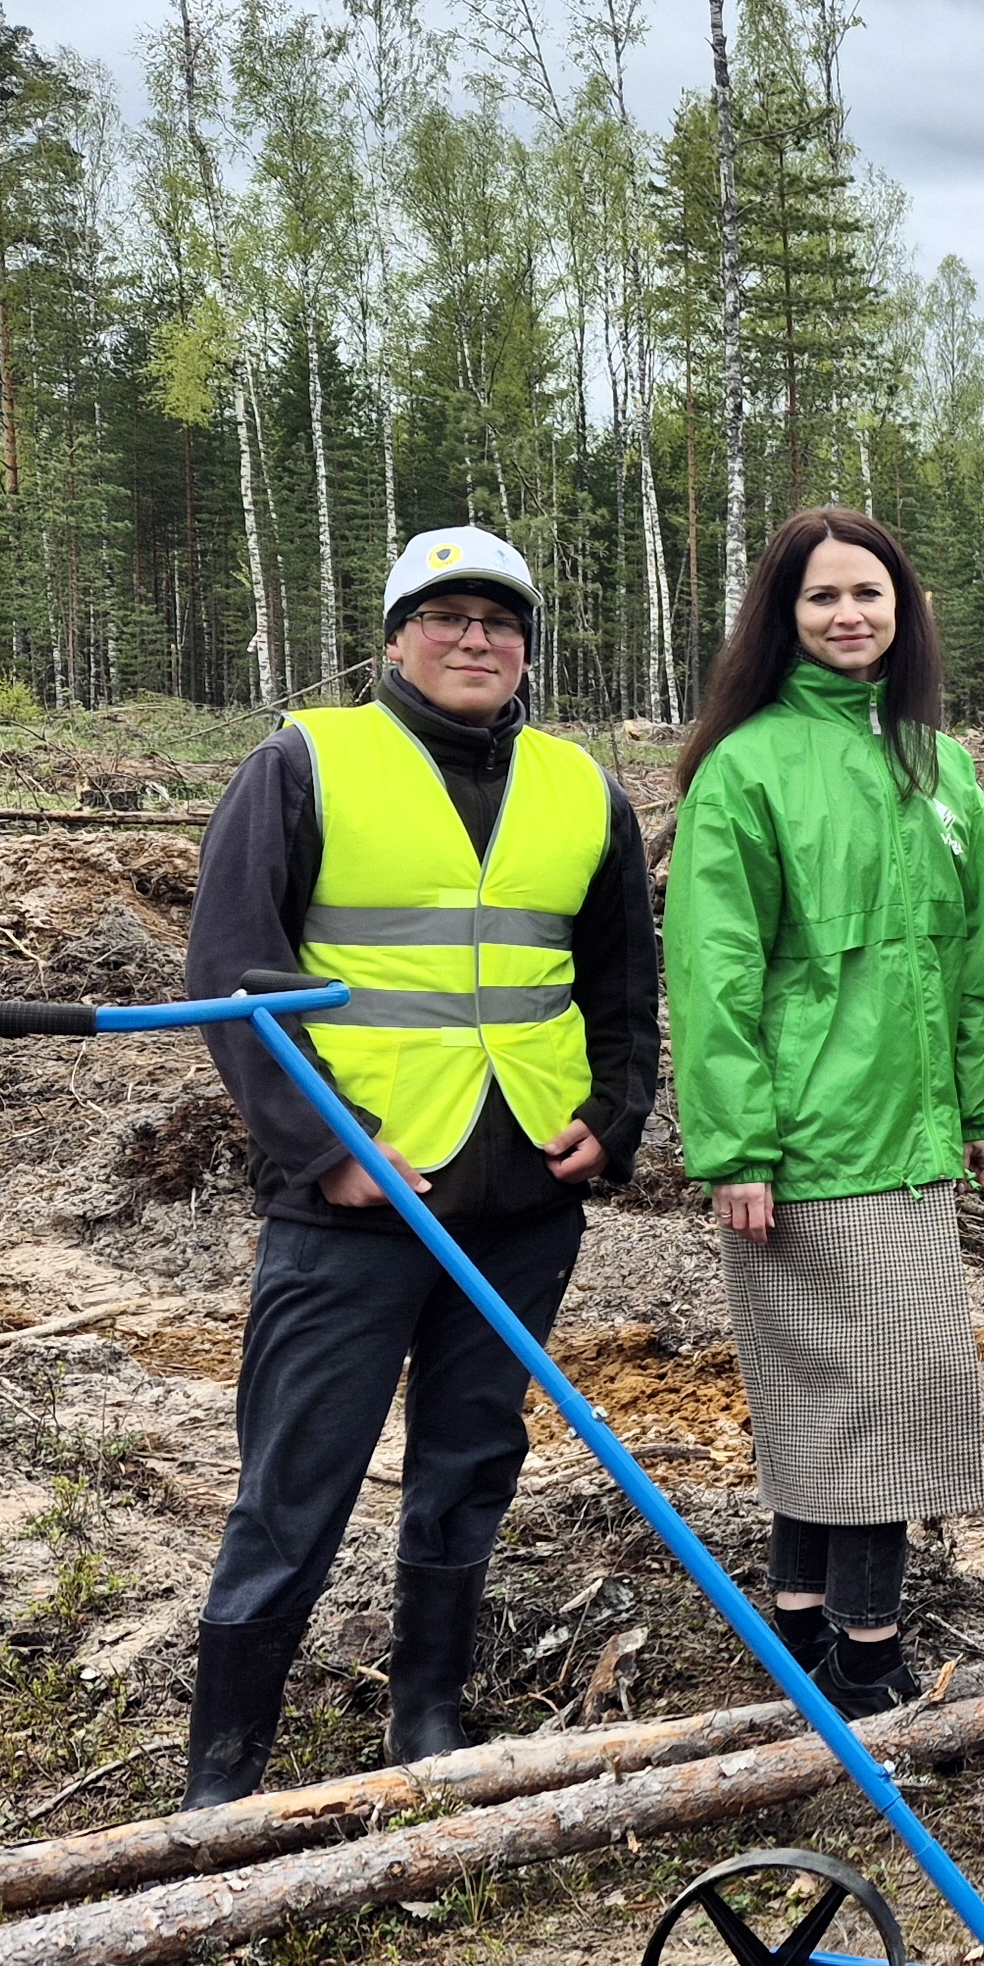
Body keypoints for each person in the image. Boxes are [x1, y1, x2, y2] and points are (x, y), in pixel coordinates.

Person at [177, 525, 658, 1807]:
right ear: (397, 637)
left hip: (522, 1194)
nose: (476, 640)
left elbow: (620, 980)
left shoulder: (579, 787)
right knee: (298, 1474)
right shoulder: (304, 765)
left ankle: (426, 1716)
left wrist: (615, 1116)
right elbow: (234, 972)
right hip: (358, 1198)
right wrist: (323, 1147)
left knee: (471, 1456)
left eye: (501, 622)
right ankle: (225, 1771)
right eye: (446, 616)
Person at [663, 510, 984, 1720]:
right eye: (821, 599)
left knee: (857, 1390)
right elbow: (713, 972)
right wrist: (735, 1145)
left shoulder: (941, 763)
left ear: (902, 607)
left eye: (867, 592)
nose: (848, 616)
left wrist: (983, 1101)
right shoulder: (746, 767)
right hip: (808, 1142)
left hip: (913, 1132)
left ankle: (805, 1642)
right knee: (879, 1390)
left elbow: (980, 949)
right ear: (784, 618)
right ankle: (864, 1667)